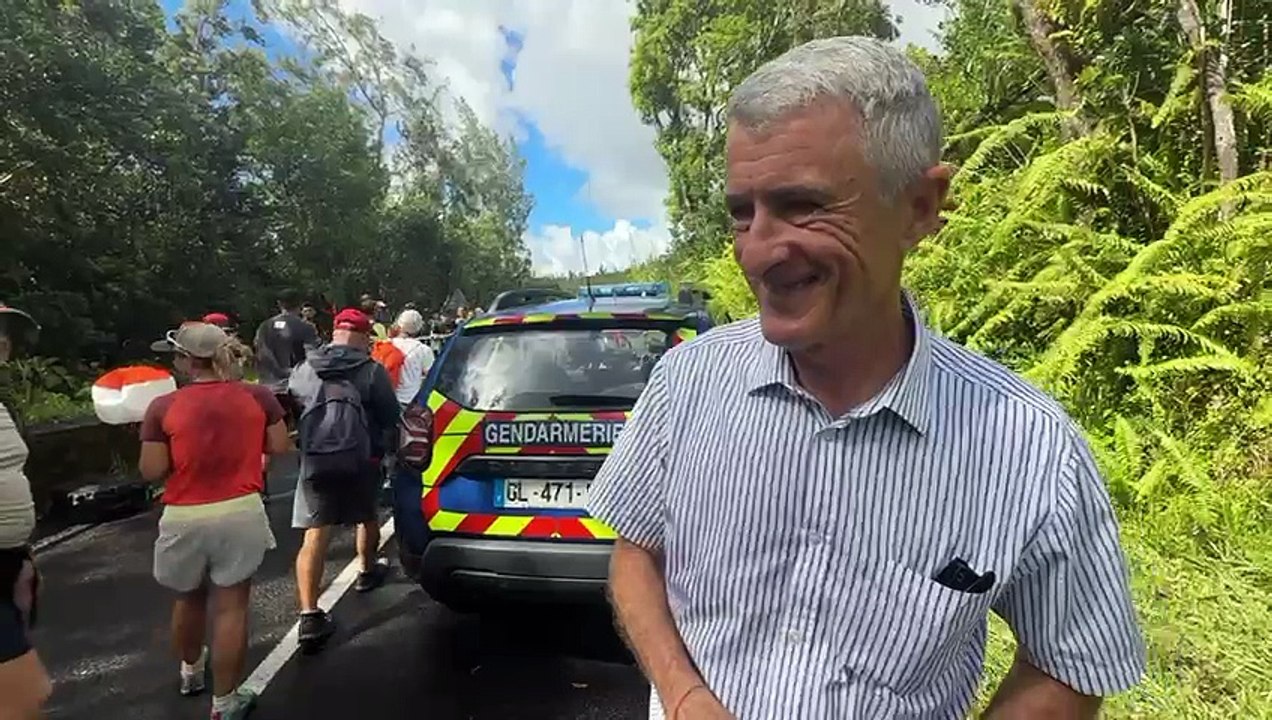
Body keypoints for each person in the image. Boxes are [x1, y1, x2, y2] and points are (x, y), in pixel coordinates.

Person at [587, 36, 1145, 720]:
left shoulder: (1032, 450)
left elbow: (1069, 663)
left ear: (919, 206)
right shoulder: (687, 385)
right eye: (742, 212)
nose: (758, 250)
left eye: (802, 205)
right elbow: (635, 553)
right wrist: (684, 695)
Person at [139, 322, 289, 720]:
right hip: (240, 510)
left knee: (187, 597)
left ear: (187, 362)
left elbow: (151, 470)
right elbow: (279, 446)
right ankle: (225, 703)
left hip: (185, 514)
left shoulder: (163, 407)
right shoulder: (258, 396)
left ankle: (190, 671)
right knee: (231, 608)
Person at [288, 308, 400, 647]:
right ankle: (366, 572)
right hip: (360, 459)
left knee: (314, 534)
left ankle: (309, 616)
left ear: (335, 332)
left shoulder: (305, 369)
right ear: (365, 337)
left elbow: (293, 408)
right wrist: (387, 457)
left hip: (316, 461)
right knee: (366, 516)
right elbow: (390, 418)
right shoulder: (370, 371)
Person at [0, 305, 51, 720]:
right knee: (24, 697)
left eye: (6, 332)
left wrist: (21, 555)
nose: (3, 340)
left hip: (8, 562)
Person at [254, 290, 321, 426]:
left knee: (273, 432)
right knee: (302, 431)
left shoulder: (264, 327)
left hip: (268, 387)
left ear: (279, 304)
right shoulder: (305, 327)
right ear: (300, 304)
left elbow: (259, 352)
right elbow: (313, 356)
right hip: (297, 388)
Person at [387, 309, 435, 409]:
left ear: (399, 325)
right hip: (410, 402)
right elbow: (431, 377)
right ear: (419, 328)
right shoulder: (423, 350)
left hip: (387, 400)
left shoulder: (386, 344)